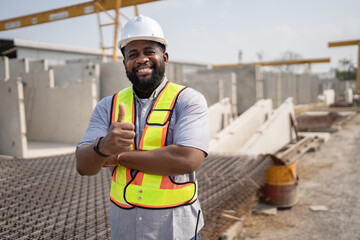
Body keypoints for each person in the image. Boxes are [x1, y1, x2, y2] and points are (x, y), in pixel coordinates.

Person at [75, 15, 209, 240]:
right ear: (125, 63)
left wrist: (118, 158)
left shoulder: (188, 100)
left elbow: (188, 159)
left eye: (149, 51)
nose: (142, 59)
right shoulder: (108, 106)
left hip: (176, 228)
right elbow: (83, 166)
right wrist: (103, 145)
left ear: (164, 57)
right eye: (133, 54)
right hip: (125, 228)